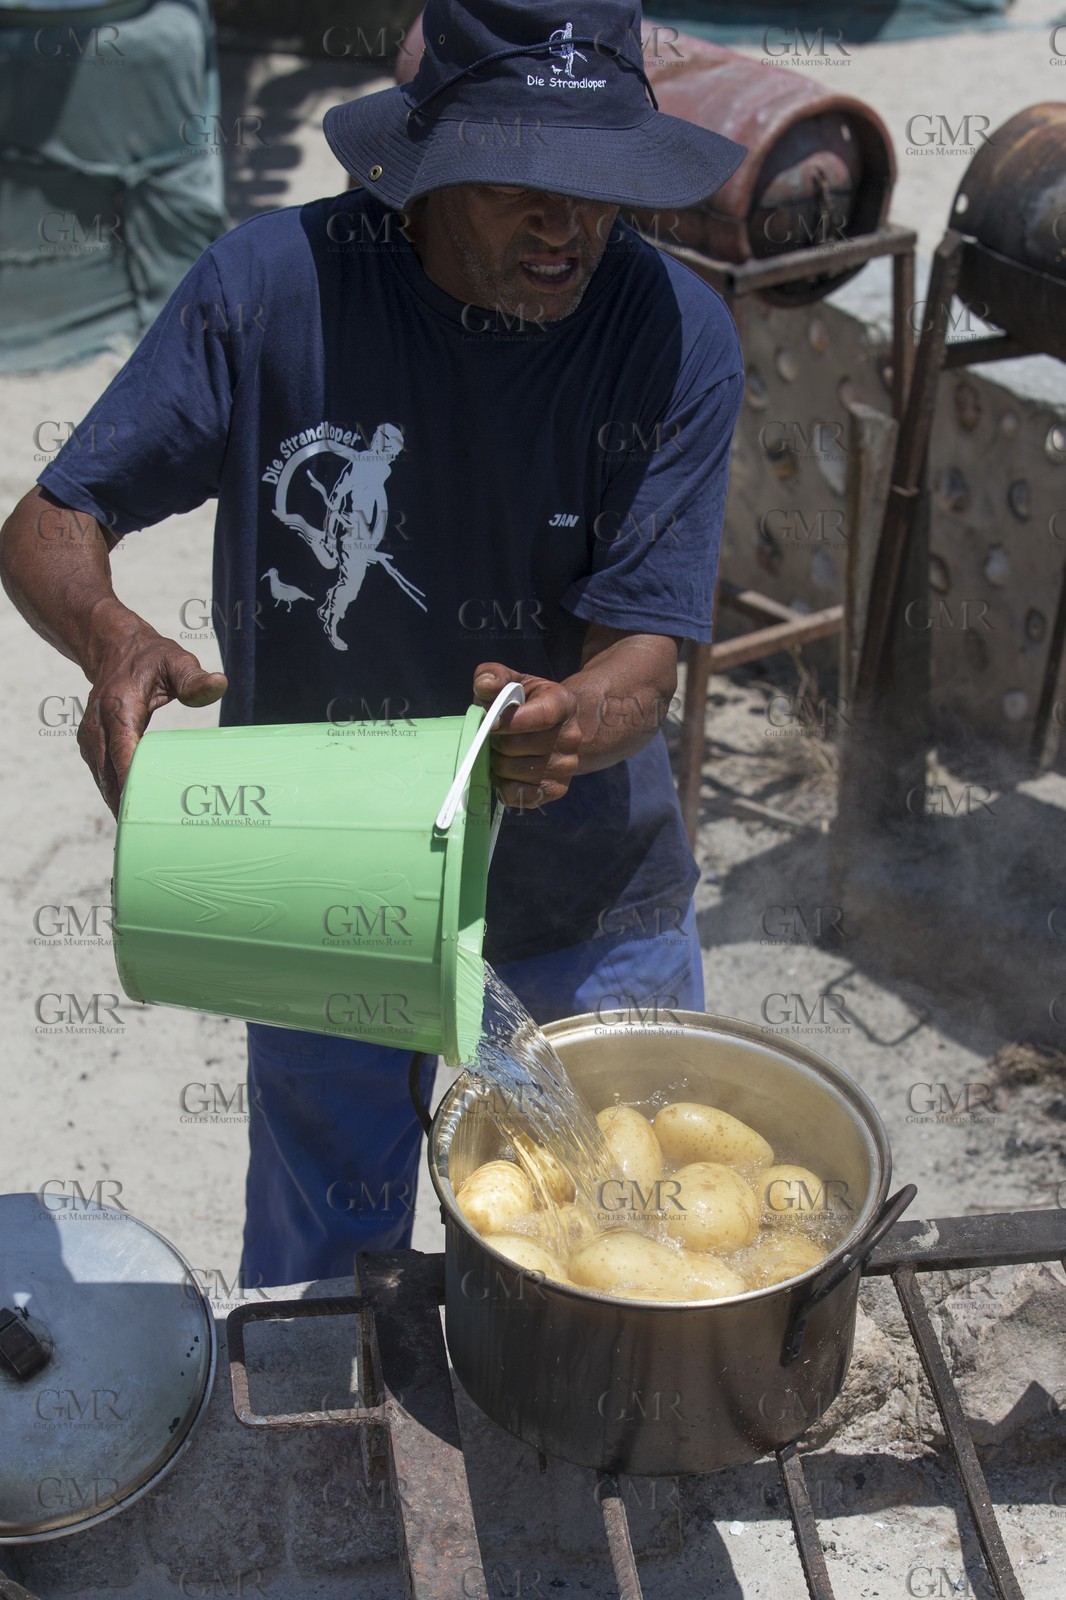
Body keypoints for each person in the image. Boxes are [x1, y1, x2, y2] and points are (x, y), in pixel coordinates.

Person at [0, 0, 746, 1288]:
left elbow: (643, 658)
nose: (570, 226)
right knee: (325, 1284)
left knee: (619, 1253)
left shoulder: (673, 338)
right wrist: (109, 637)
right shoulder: (272, 288)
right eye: (526, 185)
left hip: (584, 892)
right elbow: (55, 519)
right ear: (429, 160)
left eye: (605, 186)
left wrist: (571, 717)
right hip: (317, 883)